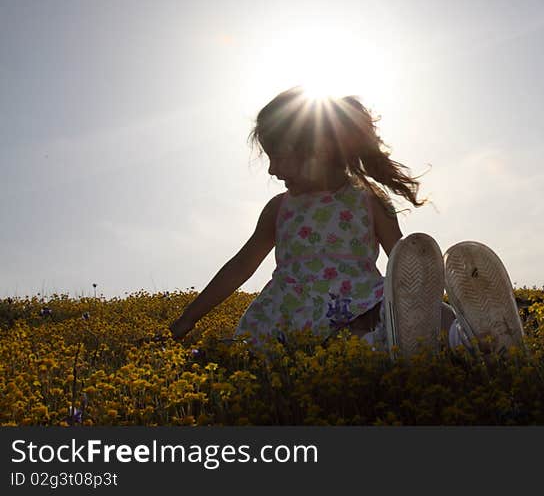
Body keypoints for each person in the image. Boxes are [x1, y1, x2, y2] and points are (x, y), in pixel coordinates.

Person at [169, 86, 523, 356]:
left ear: (317, 148)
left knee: (415, 312)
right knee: (352, 340)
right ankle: (438, 342)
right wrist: (188, 319)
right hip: (294, 317)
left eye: (277, 156)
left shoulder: (369, 202)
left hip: (362, 305)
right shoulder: (279, 209)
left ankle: (475, 337)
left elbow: (408, 268)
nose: (273, 169)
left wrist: (421, 300)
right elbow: (240, 266)